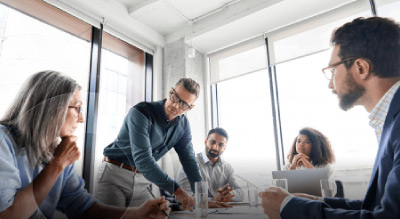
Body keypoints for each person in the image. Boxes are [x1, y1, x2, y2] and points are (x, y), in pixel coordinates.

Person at [259, 17, 400, 219]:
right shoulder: (389, 121)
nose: (330, 84)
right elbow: (377, 206)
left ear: (361, 67)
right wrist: (318, 201)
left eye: (333, 70)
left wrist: (289, 208)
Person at [0, 70, 169, 219]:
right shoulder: (3, 141)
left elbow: (82, 207)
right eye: (78, 108)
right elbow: (7, 215)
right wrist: (57, 164)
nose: (81, 119)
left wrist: (136, 214)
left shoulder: (56, 151)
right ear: (52, 108)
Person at [96, 78, 202, 211]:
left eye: (183, 104)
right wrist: (177, 191)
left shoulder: (183, 126)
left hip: (141, 182)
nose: (176, 105)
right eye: (175, 97)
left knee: (156, 215)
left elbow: (189, 161)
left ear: (190, 108)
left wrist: (203, 197)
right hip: (115, 176)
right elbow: (143, 159)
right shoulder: (141, 112)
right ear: (170, 92)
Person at [177, 127, 244, 203]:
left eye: (221, 145)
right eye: (213, 142)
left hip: (221, 211)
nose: (215, 147)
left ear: (224, 148)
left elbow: (240, 192)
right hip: (196, 212)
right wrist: (211, 201)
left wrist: (230, 194)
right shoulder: (189, 163)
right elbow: (183, 195)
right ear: (206, 141)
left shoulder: (227, 167)